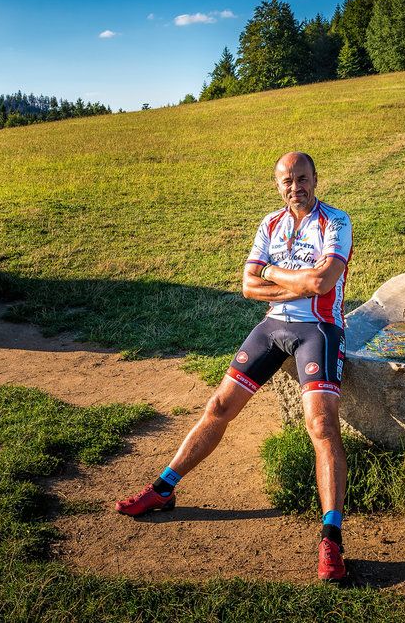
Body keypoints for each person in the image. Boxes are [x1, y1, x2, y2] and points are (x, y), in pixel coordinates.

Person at [114, 151, 353, 582]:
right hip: (271, 327)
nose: (295, 186)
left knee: (322, 427)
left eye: (302, 178)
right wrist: (293, 282)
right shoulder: (269, 224)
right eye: (286, 180)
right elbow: (247, 285)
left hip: (319, 328)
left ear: (315, 179)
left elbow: (323, 283)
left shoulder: (335, 222)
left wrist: (275, 275)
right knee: (219, 406)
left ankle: (331, 538)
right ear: (277, 184)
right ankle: (164, 489)